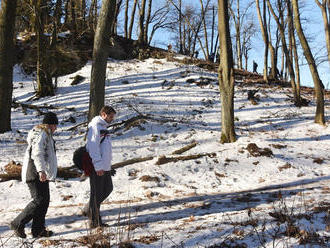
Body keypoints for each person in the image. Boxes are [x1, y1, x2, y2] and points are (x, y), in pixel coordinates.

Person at [10, 112, 59, 238]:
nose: (56, 128)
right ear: (51, 124)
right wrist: (41, 171)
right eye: (55, 125)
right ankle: (17, 223)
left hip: (39, 172)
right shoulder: (42, 133)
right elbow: (37, 153)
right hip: (34, 172)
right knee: (39, 200)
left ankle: (38, 230)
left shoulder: (45, 133)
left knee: (44, 201)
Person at [82, 106, 116, 228]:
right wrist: (98, 166)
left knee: (108, 189)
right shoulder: (95, 126)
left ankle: (89, 208)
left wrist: (108, 166)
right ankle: (95, 222)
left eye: (113, 116)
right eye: (110, 116)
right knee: (96, 194)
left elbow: (105, 149)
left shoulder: (103, 127)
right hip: (98, 167)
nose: (112, 119)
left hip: (104, 166)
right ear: (103, 114)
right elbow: (93, 148)